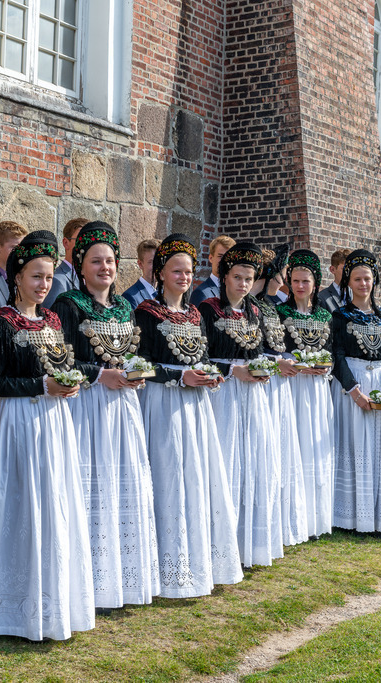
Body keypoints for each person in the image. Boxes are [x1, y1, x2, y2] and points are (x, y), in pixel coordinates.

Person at [0, 230, 95, 642]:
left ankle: (52, 599)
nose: (43, 285)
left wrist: (67, 383)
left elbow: (60, 363)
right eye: (36, 276)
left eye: (48, 277)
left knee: (52, 502)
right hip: (16, 422)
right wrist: (42, 386)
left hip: (54, 423)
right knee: (16, 504)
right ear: (17, 277)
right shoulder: (0, 322)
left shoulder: (55, 320)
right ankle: (2, 603)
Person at [51, 221, 160, 610]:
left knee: (123, 482)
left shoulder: (125, 307)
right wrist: (100, 374)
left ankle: (123, 579)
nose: (105, 268)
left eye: (111, 261)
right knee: (91, 485)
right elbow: (59, 359)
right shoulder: (67, 305)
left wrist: (136, 372)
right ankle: (90, 581)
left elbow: (132, 354)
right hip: (89, 405)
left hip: (124, 405)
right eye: (96, 261)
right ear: (81, 267)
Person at [134, 234, 243, 598]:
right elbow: (142, 364)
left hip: (196, 405)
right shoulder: (146, 313)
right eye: (175, 270)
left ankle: (197, 560)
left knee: (195, 477)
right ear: (160, 273)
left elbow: (206, 354)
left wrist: (209, 374)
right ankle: (165, 566)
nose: (183, 277)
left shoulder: (195, 313)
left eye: (187, 271)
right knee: (167, 476)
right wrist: (180, 376)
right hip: (163, 403)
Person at [198, 241, 283, 568]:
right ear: (224, 276)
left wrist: (264, 369)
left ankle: (250, 544)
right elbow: (202, 359)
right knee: (226, 464)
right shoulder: (207, 309)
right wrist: (234, 370)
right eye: (238, 277)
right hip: (224, 396)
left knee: (255, 465)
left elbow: (260, 353)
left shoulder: (255, 311)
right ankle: (222, 546)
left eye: (249, 278)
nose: (244, 284)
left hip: (253, 397)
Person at [329, 249, 381, 533]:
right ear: (348, 283)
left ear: (374, 281)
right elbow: (336, 356)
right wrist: (354, 391)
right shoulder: (339, 317)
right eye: (357, 279)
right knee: (355, 445)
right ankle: (353, 517)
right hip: (353, 386)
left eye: (368, 278)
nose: (363, 284)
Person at [276, 249, 335, 538]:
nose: (300, 286)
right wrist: (299, 364)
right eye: (295, 281)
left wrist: (326, 366)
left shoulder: (325, 315)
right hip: (293, 386)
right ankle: (292, 517)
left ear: (316, 283)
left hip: (317, 389)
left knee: (314, 447)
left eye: (305, 281)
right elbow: (275, 351)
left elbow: (332, 352)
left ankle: (316, 518)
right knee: (294, 445)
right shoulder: (280, 312)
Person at [253, 246, 308, 547]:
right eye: (284, 270)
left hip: (280, 385)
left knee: (281, 453)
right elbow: (252, 351)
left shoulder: (273, 306)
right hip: (264, 383)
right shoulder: (255, 306)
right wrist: (278, 363)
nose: (287, 275)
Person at [44, 217, 88, 307]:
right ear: (66, 243)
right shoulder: (57, 281)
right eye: (81, 240)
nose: (86, 245)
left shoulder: (90, 279)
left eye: (90, 241)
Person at [190, 235, 235, 305]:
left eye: (228, 257)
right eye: (220, 256)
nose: (224, 261)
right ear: (211, 258)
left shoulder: (236, 292)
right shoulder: (201, 293)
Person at [121, 238, 160, 308]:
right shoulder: (130, 297)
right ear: (140, 264)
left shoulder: (166, 293)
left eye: (159, 261)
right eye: (151, 262)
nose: (157, 266)